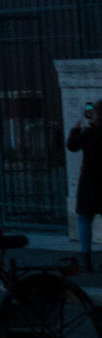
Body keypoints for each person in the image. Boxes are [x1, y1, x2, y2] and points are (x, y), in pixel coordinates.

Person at [69, 101, 102, 272]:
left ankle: (85, 259)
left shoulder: (89, 134)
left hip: (89, 181)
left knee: (84, 218)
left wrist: (76, 128)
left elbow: (72, 146)